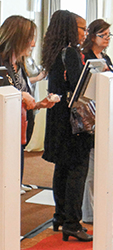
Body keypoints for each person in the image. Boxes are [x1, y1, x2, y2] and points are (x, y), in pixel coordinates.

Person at [0, 15, 56, 250]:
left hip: (14, 142)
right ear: (17, 37)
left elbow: (19, 101)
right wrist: (22, 96)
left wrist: (38, 104)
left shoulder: (18, 64)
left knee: (8, 203)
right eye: (30, 39)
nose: (32, 44)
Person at [41, 10, 93, 242]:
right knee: (77, 170)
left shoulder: (53, 52)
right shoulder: (71, 53)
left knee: (62, 168)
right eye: (82, 28)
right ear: (71, 29)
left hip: (58, 118)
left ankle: (60, 216)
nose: (85, 33)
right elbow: (80, 85)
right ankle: (72, 223)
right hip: (74, 122)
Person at [81, 19, 113, 224]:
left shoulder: (107, 57)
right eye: (104, 35)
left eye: (110, 35)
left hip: (106, 115)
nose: (108, 39)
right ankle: (88, 212)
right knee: (90, 169)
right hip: (90, 117)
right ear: (92, 36)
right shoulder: (86, 58)